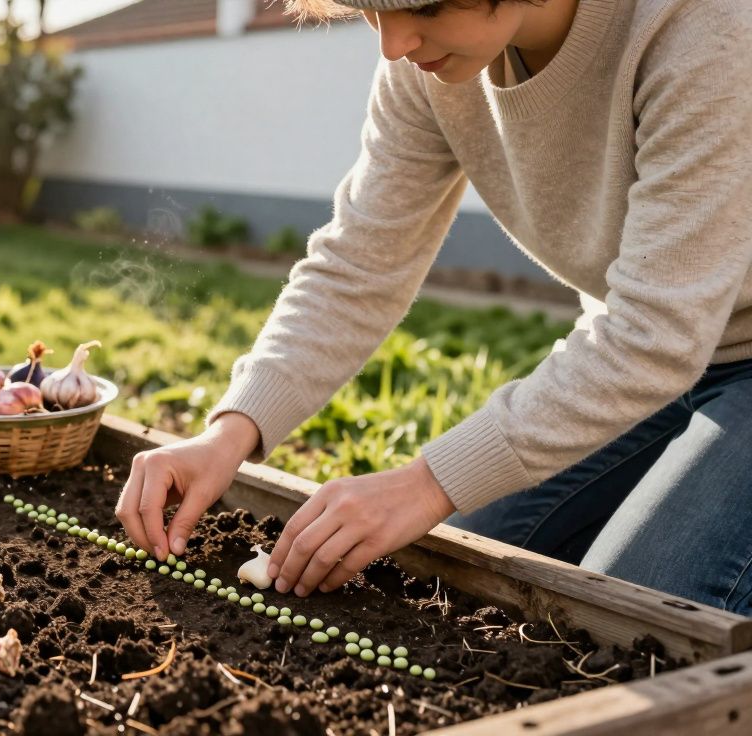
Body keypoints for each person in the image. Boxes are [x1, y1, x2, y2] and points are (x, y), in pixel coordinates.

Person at [115, 0, 752, 614]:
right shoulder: (422, 69)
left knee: (645, 618)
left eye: (423, 9)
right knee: (477, 561)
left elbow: (656, 331)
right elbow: (361, 262)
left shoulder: (705, 29)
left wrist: (423, 484)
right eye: (371, 11)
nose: (392, 45)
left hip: (684, 347)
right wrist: (230, 432)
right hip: (645, 364)